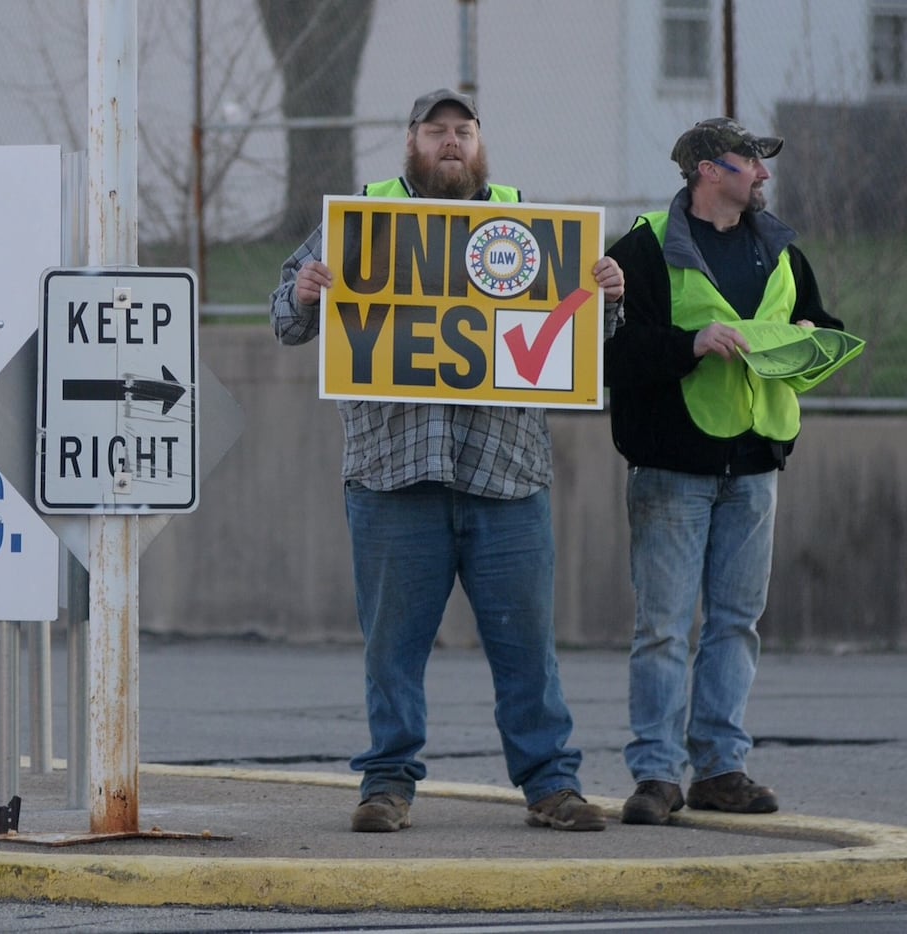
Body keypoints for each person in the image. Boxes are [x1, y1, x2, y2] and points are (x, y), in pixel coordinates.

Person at [269, 88, 624, 833]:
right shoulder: (360, 220)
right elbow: (285, 320)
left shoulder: (529, 225)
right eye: (437, 131)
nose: (452, 142)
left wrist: (608, 299)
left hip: (506, 476)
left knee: (529, 648)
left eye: (464, 130)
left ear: (480, 143)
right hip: (392, 475)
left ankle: (552, 785)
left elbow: (587, 338)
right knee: (391, 650)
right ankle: (386, 785)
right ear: (411, 143)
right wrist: (304, 293)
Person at [603, 118, 843, 825]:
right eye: (751, 162)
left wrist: (812, 341)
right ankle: (655, 775)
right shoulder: (643, 249)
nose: (764, 175)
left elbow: (821, 326)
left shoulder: (781, 250)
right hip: (671, 468)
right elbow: (607, 358)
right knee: (663, 629)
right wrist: (691, 344)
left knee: (736, 624)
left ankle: (720, 769)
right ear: (709, 169)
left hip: (755, 463)